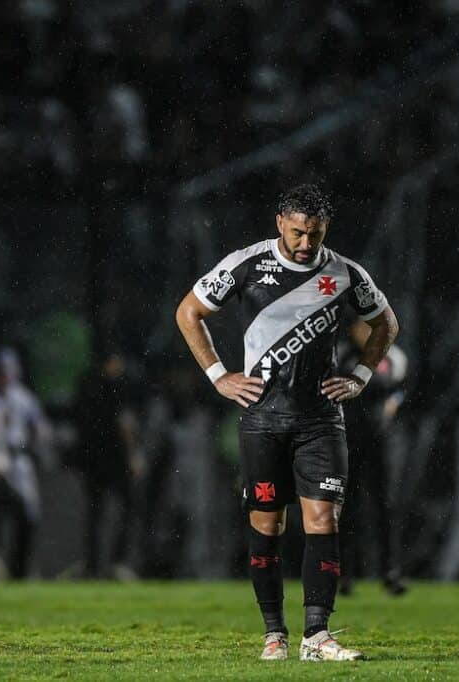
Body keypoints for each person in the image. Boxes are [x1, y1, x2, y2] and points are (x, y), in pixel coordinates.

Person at [175, 184, 399, 662]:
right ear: (280, 222)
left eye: (313, 234)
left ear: (325, 230)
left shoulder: (344, 273)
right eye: (297, 232)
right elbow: (189, 311)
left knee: (323, 520)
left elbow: (386, 324)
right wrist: (219, 376)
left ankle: (316, 636)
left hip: (321, 419)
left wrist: (359, 376)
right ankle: (273, 634)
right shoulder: (247, 264)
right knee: (268, 525)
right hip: (262, 419)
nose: (304, 243)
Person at [337, 317, 408, 595]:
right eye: (359, 327)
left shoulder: (393, 355)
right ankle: (345, 573)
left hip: (383, 440)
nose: (364, 332)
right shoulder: (342, 354)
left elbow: (402, 389)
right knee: (348, 507)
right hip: (350, 438)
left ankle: (390, 572)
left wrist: (393, 404)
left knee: (386, 506)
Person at [0, 348, 51, 579]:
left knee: (29, 516)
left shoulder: (23, 398)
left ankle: (21, 568)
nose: (5, 376)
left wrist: (34, 446)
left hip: (19, 460)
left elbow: (41, 429)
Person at [71, 352, 139, 579]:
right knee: (126, 508)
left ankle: (92, 564)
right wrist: (133, 456)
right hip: (115, 459)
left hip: (94, 460)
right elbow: (124, 424)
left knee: (95, 514)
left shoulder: (86, 386)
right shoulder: (116, 389)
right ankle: (117, 563)